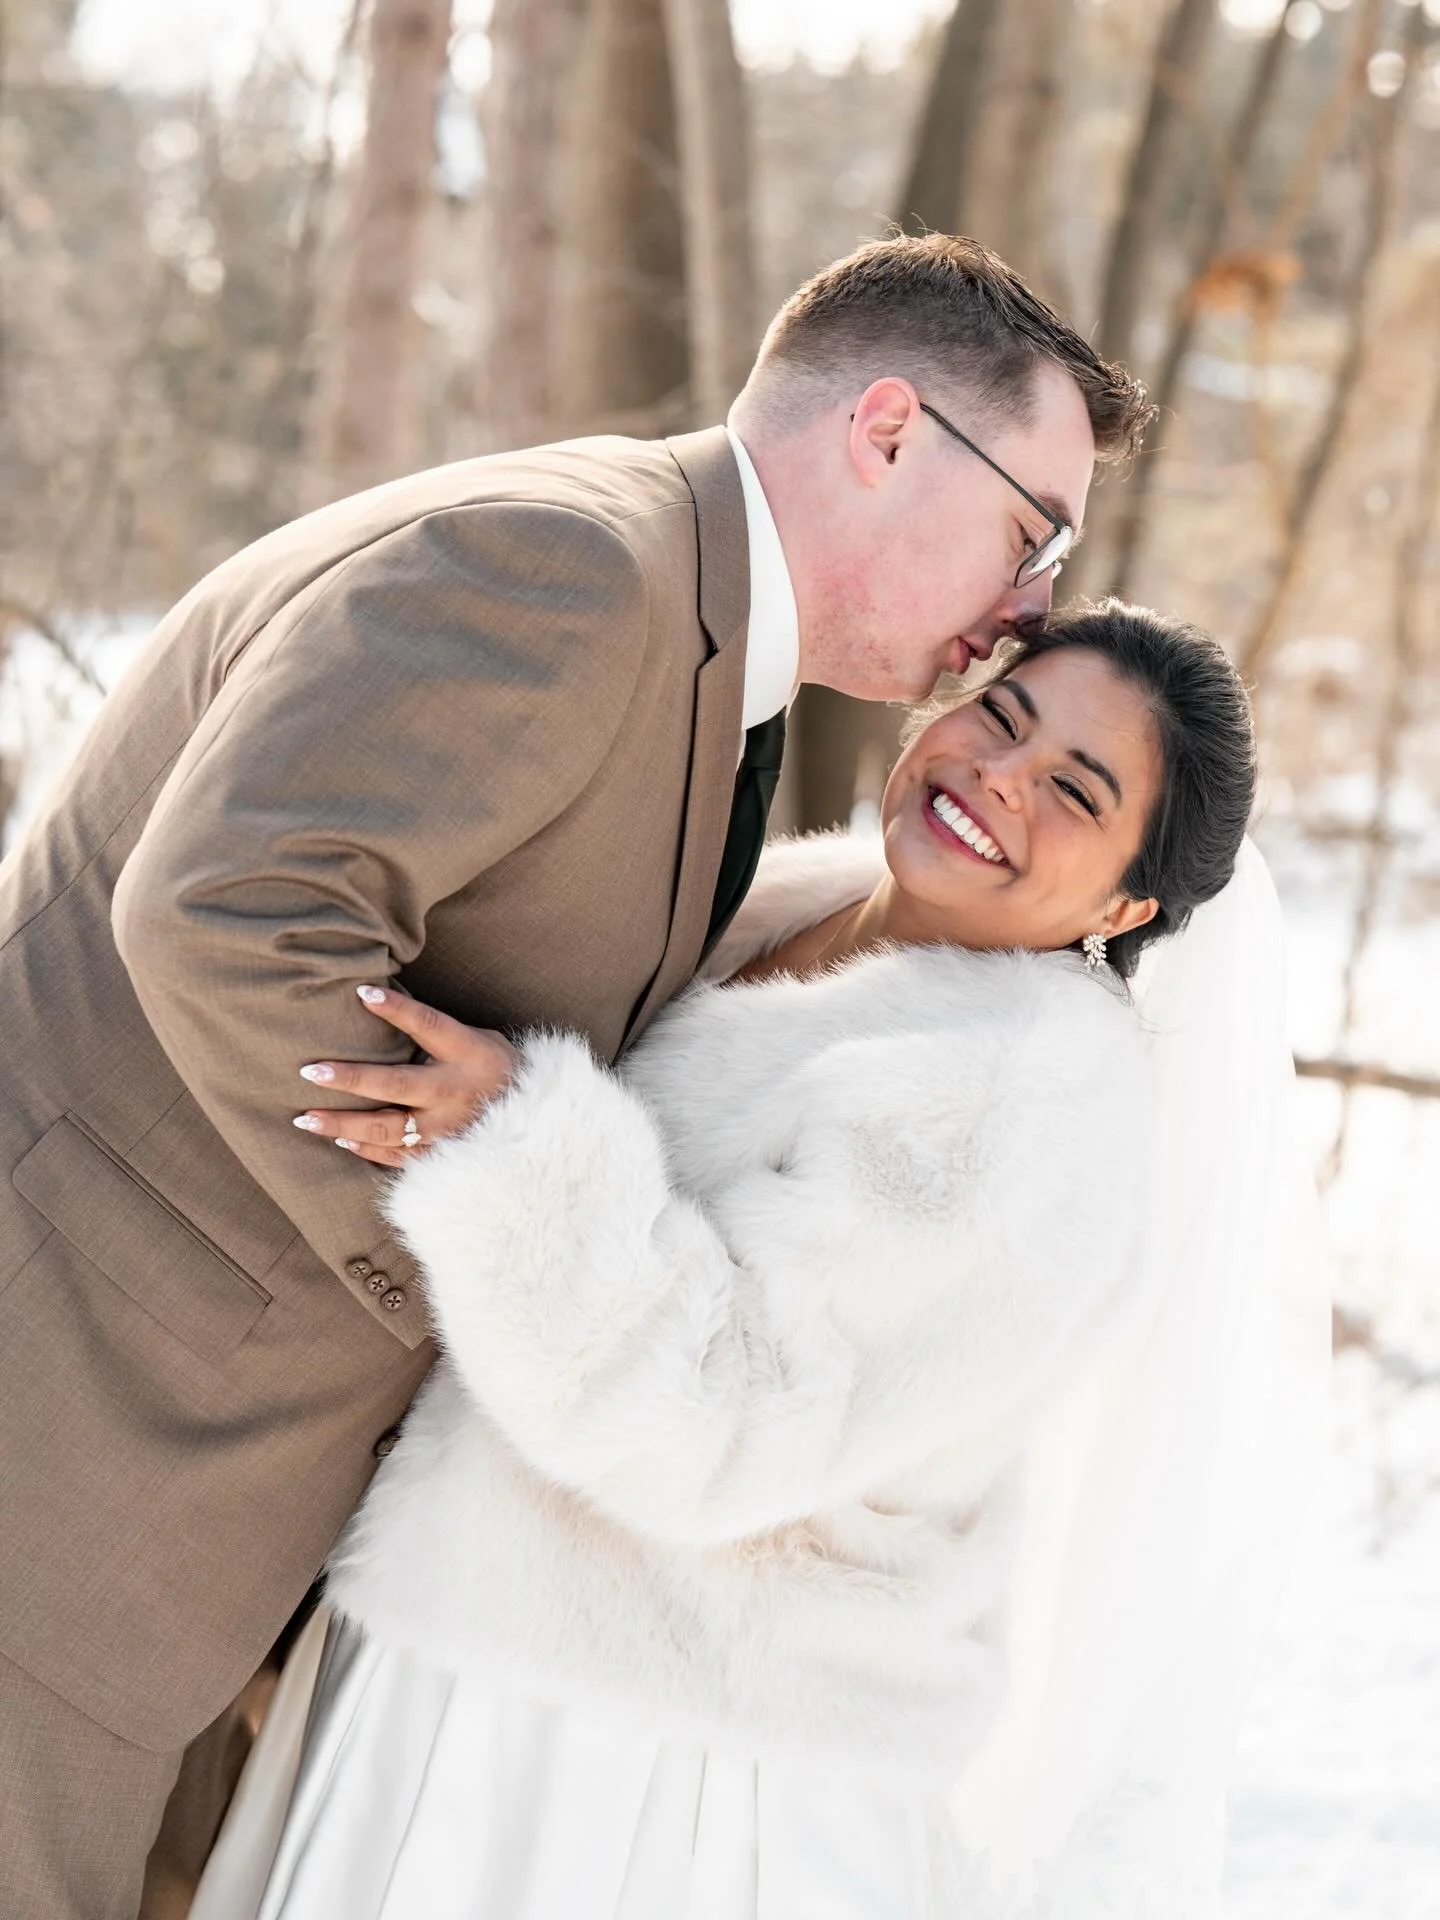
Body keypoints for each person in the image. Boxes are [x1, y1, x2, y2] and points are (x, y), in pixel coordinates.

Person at [0, 234, 1152, 1919]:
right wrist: (473, 1274)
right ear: (890, 432)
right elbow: (234, 917)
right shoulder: (574, 572)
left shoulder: (682, 629)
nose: (1032, 599)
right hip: (78, 1478)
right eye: (1033, 529)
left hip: (163, 1520)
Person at [190, 605, 1326, 1919]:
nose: (999, 775)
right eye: (1003, 714)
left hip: (657, 1757)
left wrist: (517, 1143)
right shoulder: (804, 909)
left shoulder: (1029, 1103)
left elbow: (722, 1421)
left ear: (1129, 901)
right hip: (494, 1648)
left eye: (1075, 788)